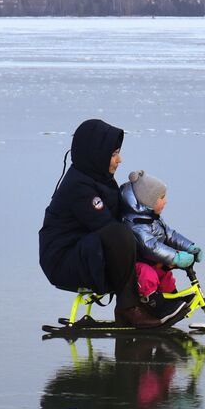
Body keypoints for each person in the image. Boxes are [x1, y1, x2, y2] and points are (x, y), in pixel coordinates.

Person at [38, 119, 162, 328]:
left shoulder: (99, 178)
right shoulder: (79, 186)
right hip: (63, 260)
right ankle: (127, 308)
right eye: (114, 154)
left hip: (86, 249)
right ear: (96, 154)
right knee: (120, 235)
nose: (119, 159)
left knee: (141, 231)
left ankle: (153, 301)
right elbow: (108, 228)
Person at [119, 170, 203, 320]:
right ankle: (156, 305)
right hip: (135, 268)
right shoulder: (136, 224)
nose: (165, 202)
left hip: (151, 263)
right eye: (161, 198)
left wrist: (190, 247)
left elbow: (170, 234)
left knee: (165, 273)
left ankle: (172, 299)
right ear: (148, 201)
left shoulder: (153, 218)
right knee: (148, 274)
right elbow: (151, 247)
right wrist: (176, 257)